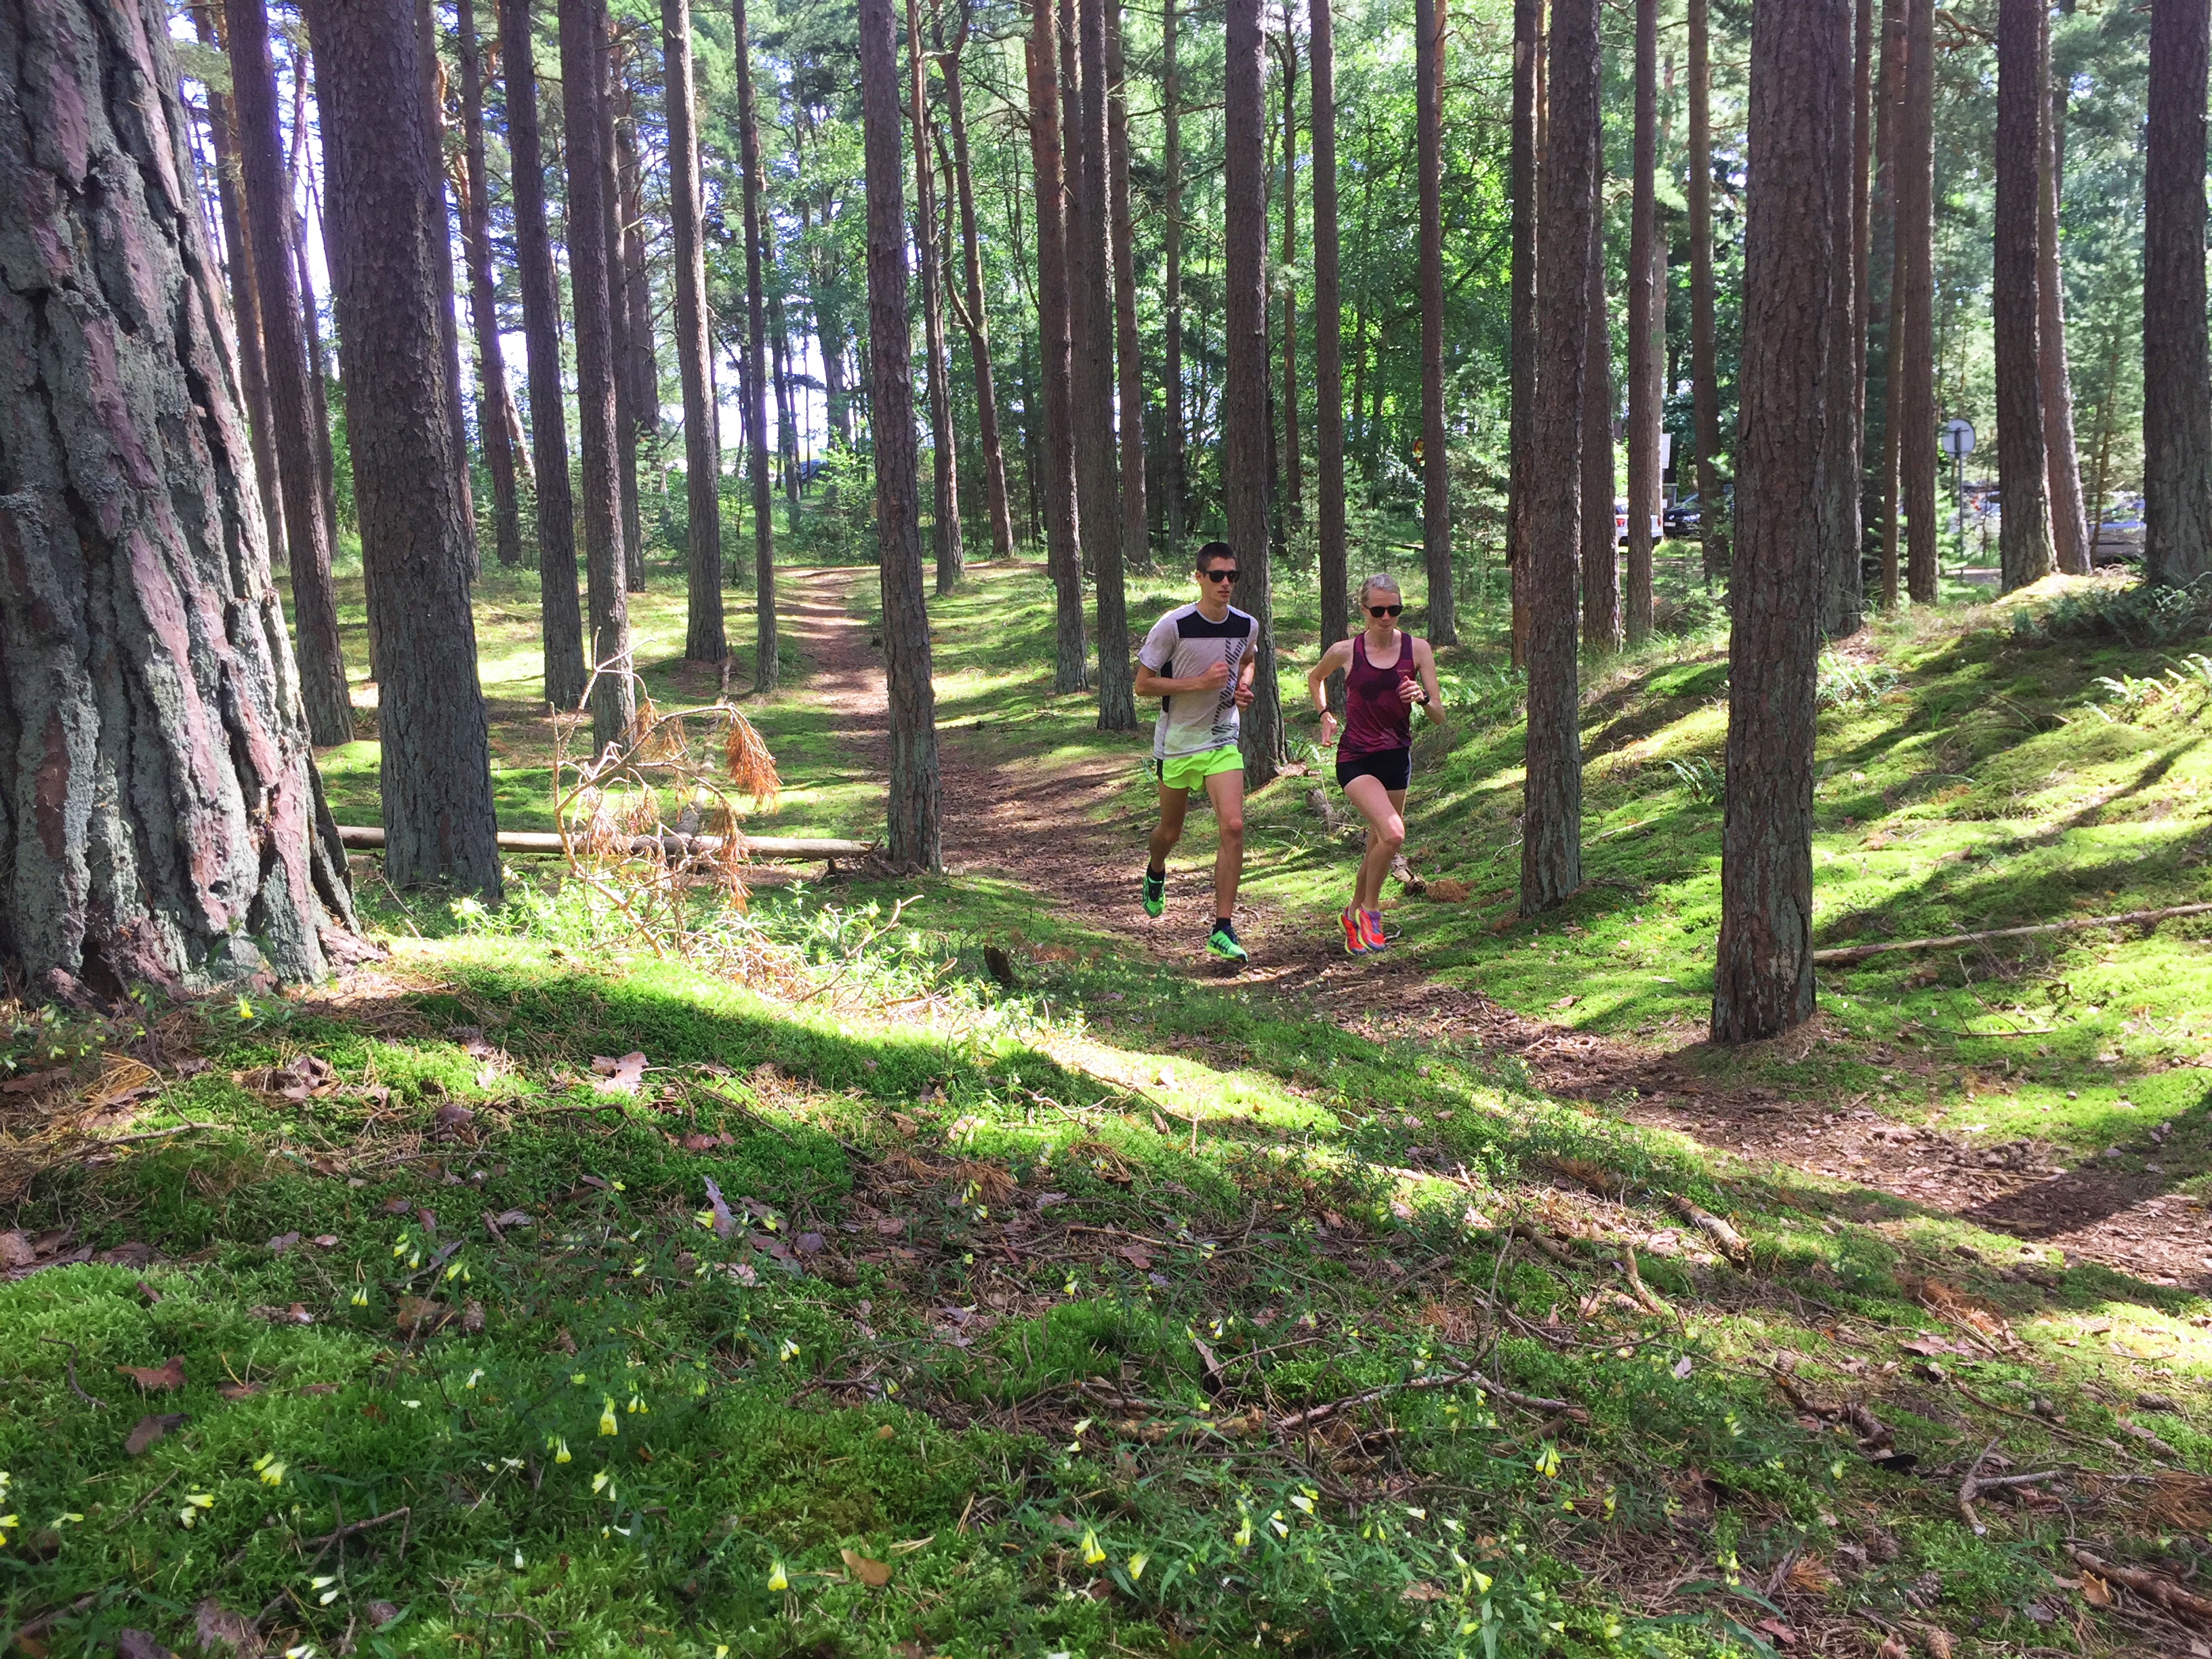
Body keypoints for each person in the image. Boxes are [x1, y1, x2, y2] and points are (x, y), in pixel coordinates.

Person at [1307, 573, 1444, 955]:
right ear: (1364, 610)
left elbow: (1438, 715)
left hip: (1396, 758)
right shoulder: (1346, 651)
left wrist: (1421, 698)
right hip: (1356, 757)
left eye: (1395, 609)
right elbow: (1315, 677)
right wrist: (1325, 714)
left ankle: (1350, 915)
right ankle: (1371, 910)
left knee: (1379, 841)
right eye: (1379, 610)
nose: (1387, 617)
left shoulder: (1418, 650)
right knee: (1394, 834)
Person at [1134, 541, 1258, 963]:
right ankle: (1155, 870)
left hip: (1222, 736)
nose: (1226, 584)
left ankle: (1222, 928)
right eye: (1218, 576)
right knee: (1170, 833)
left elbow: (1248, 659)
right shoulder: (1173, 625)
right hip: (1177, 742)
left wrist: (1242, 687)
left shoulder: (1246, 624)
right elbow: (1143, 684)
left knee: (1234, 826)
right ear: (1200, 578)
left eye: (1233, 576)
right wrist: (1200, 683)